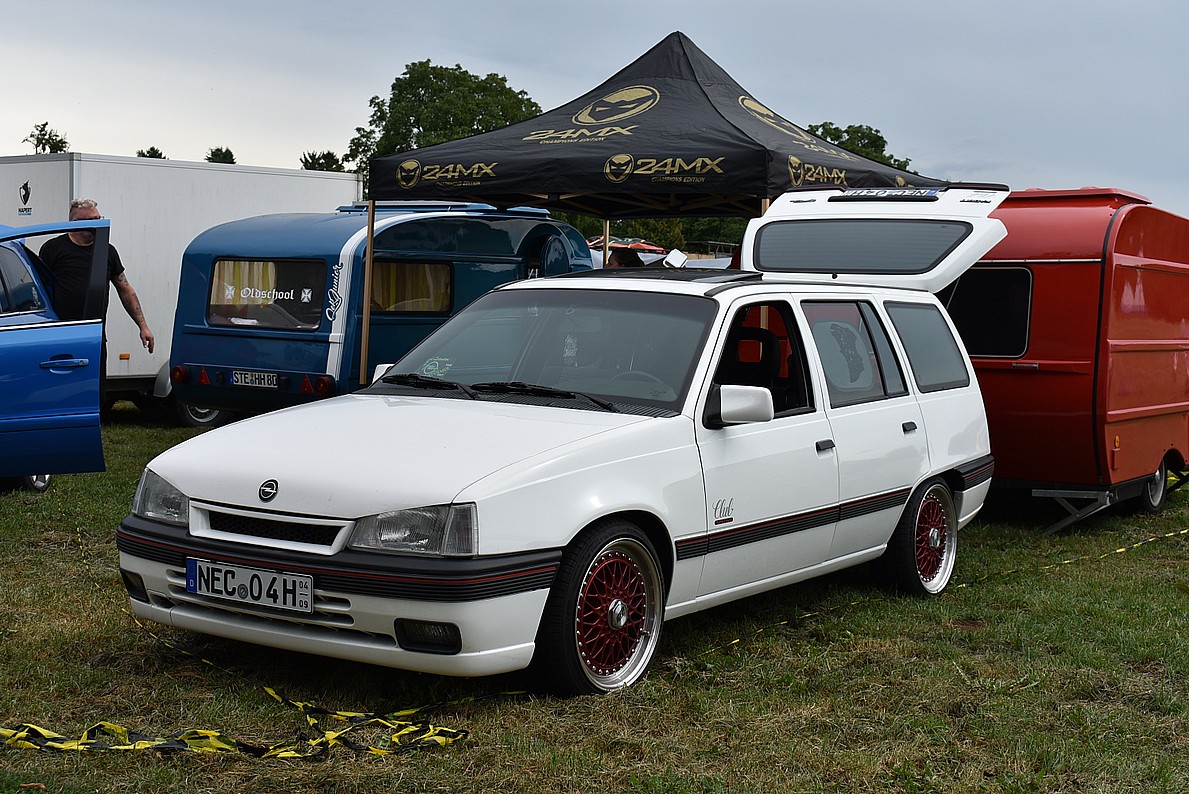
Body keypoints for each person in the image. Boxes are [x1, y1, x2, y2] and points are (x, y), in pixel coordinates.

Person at [39, 198, 155, 405]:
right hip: (60, 334)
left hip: (93, 336)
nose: (99, 223)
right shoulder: (53, 249)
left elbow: (125, 289)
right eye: (93, 220)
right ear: (76, 222)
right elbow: (38, 290)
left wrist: (143, 326)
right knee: (62, 392)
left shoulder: (107, 251)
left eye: (99, 218)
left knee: (93, 394)